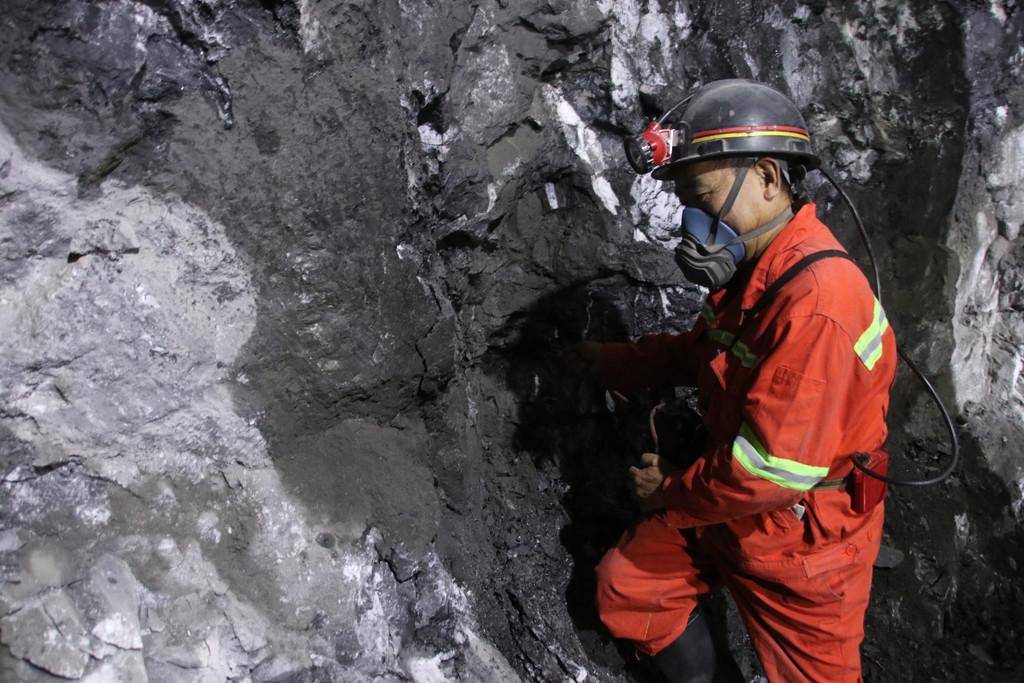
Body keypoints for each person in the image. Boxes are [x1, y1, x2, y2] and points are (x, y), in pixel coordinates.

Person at [581, 80, 896, 682]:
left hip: (806, 538)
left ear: (770, 178)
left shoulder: (818, 305)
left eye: (703, 197)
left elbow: (770, 471)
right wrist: (603, 360)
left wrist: (670, 491)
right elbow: (699, 352)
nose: (693, 224)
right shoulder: (759, 271)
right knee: (630, 588)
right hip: (729, 497)